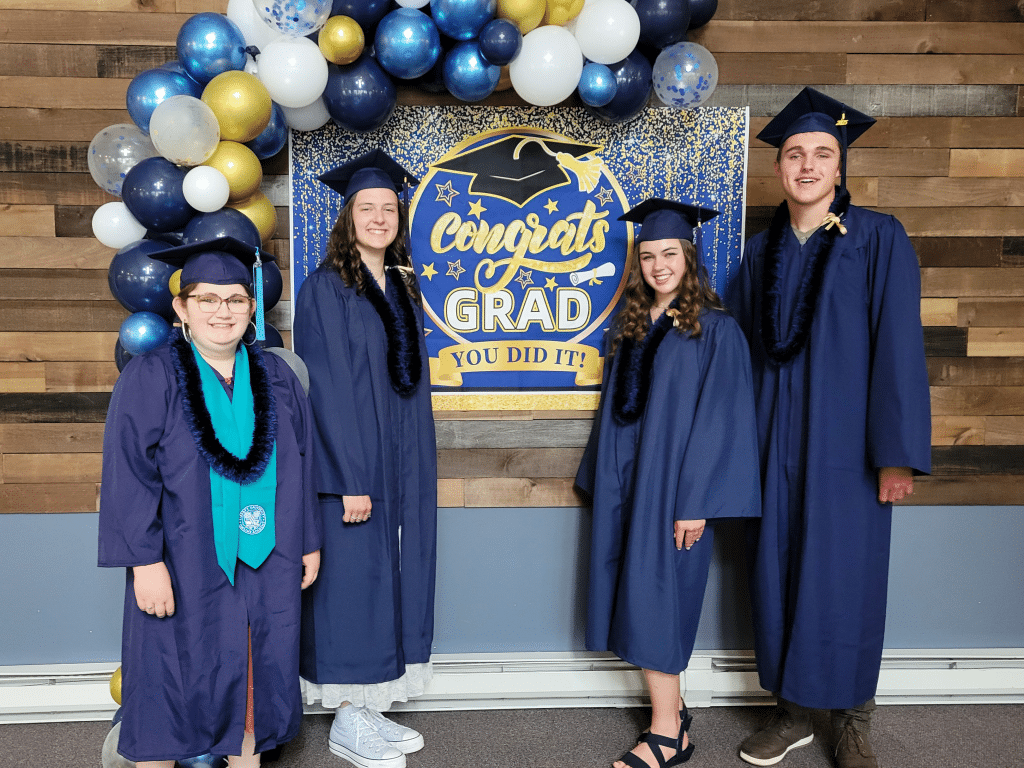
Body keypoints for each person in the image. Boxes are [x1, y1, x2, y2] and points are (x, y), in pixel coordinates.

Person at [727, 88, 932, 768]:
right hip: (774, 441)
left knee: (845, 577)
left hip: (849, 446)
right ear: (779, 169)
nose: (807, 165)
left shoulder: (878, 237)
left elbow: (899, 347)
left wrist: (896, 455)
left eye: (821, 154)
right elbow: (748, 355)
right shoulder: (762, 254)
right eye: (794, 154)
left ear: (839, 168)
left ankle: (852, 718)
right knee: (777, 569)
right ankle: (791, 711)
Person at [98, 237, 323, 768]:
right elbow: (128, 474)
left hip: (268, 556)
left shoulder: (279, 379)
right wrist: (143, 562)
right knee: (167, 676)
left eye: (235, 300)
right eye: (207, 299)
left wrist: (309, 541)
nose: (223, 311)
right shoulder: (151, 377)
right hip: (181, 555)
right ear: (181, 308)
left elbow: (303, 464)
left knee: (254, 670)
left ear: (252, 309)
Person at [576, 199, 761, 768]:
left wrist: (695, 503)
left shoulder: (717, 331)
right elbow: (612, 412)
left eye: (670, 254)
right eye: (649, 255)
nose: (659, 265)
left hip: (675, 493)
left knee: (661, 602)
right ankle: (673, 717)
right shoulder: (630, 327)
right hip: (627, 486)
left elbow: (721, 421)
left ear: (690, 257)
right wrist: (603, 481)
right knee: (636, 599)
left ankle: (665, 735)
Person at [294, 151, 437, 768]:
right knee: (352, 581)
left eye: (388, 208)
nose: (378, 217)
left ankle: (369, 704)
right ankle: (346, 720)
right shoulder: (327, 286)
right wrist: (351, 477)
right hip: (352, 463)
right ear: (347, 217)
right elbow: (326, 388)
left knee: (388, 572)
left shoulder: (402, 285)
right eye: (366, 208)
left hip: (400, 455)